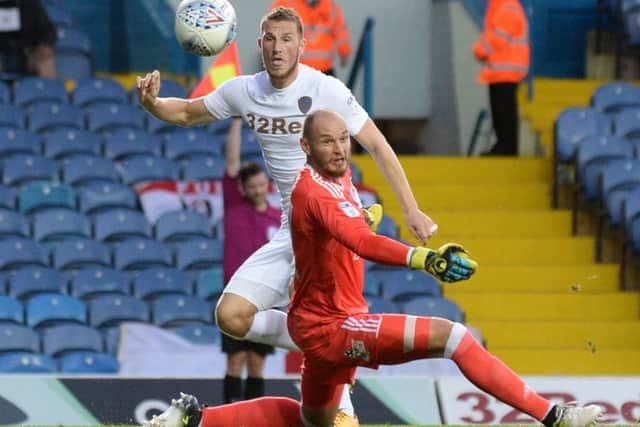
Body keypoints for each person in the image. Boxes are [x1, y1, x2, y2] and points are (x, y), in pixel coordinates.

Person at [143, 110, 603, 427]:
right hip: (335, 327)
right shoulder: (312, 191)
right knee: (454, 337)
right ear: (306, 146)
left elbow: (347, 229)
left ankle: (195, 418)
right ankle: (554, 416)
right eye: (328, 142)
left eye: (344, 139)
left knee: (311, 419)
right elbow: (359, 240)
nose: (341, 149)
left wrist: (361, 216)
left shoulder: (338, 174)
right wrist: (422, 258)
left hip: (318, 326)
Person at [137, 6, 435, 423]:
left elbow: (378, 145)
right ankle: (337, 344)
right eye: (271, 39)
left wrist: (411, 208)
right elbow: (186, 112)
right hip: (291, 230)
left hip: (331, 227)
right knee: (231, 317)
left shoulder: (326, 89)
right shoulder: (243, 90)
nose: (278, 48)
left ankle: (342, 389)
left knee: (333, 412)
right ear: (259, 44)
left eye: (287, 39)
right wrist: (152, 104)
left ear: (302, 45)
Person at [221, 118, 280, 403]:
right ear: (244, 188)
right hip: (236, 293)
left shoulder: (278, 219)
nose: (258, 189)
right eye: (252, 186)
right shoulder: (234, 206)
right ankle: (231, 416)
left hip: (265, 298)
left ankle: (253, 418)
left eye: (261, 184)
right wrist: (235, 122)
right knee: (236, 360)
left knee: (257, 362)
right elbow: (232, 164)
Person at [473, 0, 529, 156]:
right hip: (502, 72)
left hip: (505, 72)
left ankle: (506, 149)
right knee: (501, 112)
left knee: (504, 113)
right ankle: (504, 147)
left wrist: (479, 50)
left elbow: (498, 36)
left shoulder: (506, 6)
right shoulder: (502, 5)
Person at [268, 0, 351, 76]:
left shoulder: (331, 7)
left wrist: (344, 52)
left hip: (324, 72)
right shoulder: (285, 4)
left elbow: (341, 32)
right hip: (294, 74)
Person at [0, 0, 57, 79]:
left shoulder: (30, 3)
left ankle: (46, 89)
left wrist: (44, 46)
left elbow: (49, 30)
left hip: (27, 53)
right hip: (2, 53)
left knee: (46, 61)